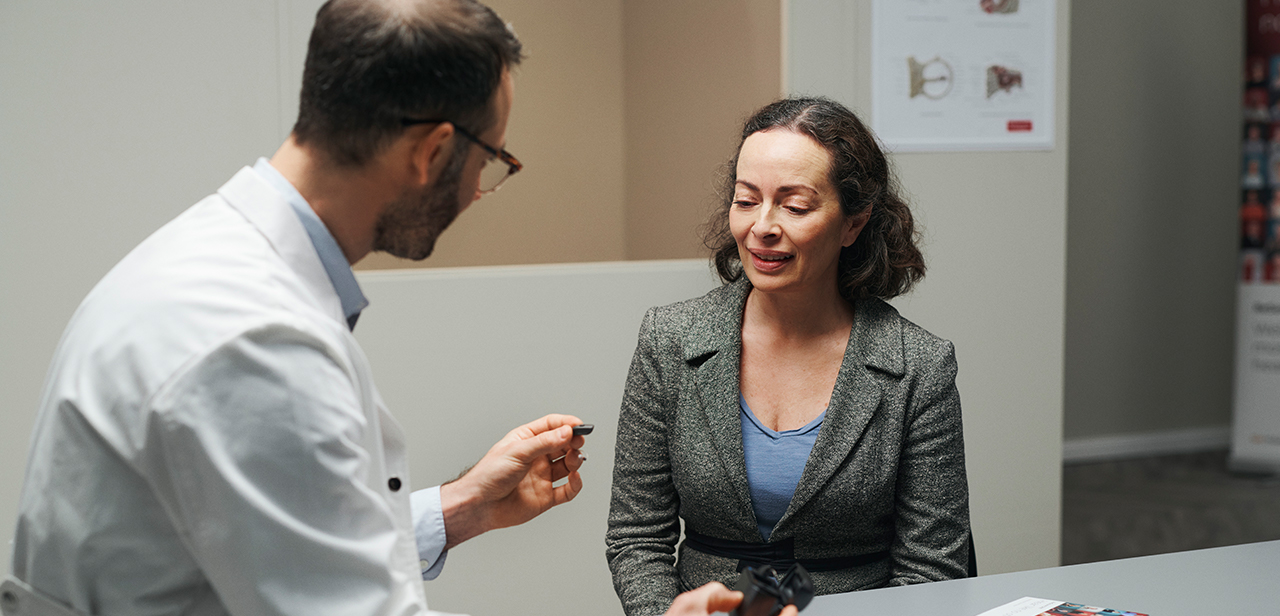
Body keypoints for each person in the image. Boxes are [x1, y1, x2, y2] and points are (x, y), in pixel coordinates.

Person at [5, 1, 759, 615]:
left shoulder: (205, 258)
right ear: (432, 154)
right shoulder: (255, 340)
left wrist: (462, 506)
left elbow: (267, 540)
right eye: (492, 160)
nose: (476, 193)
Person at [606, 97, 971, 616]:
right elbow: (636, 536)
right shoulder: (670, 338)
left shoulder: (918, 365)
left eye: (795, 206)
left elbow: (934, 568)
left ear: (853, 224)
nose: (763, 227)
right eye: (746, 200)